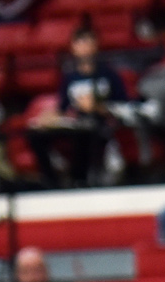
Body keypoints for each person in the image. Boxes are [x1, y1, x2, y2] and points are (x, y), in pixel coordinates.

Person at [28, 28, 130, 188]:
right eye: (80, 44)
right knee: (35, 135)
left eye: (88, 43)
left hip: (101, 124)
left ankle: (79, 180)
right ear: (73, 48)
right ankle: (50, 180)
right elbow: (63, 107)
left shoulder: (109, 75)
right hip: (76, 122)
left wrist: (97, 107)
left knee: (83, 135)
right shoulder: (70, 77)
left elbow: (123, 105)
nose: (85, 49)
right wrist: (49, 118)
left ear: (96, 46)